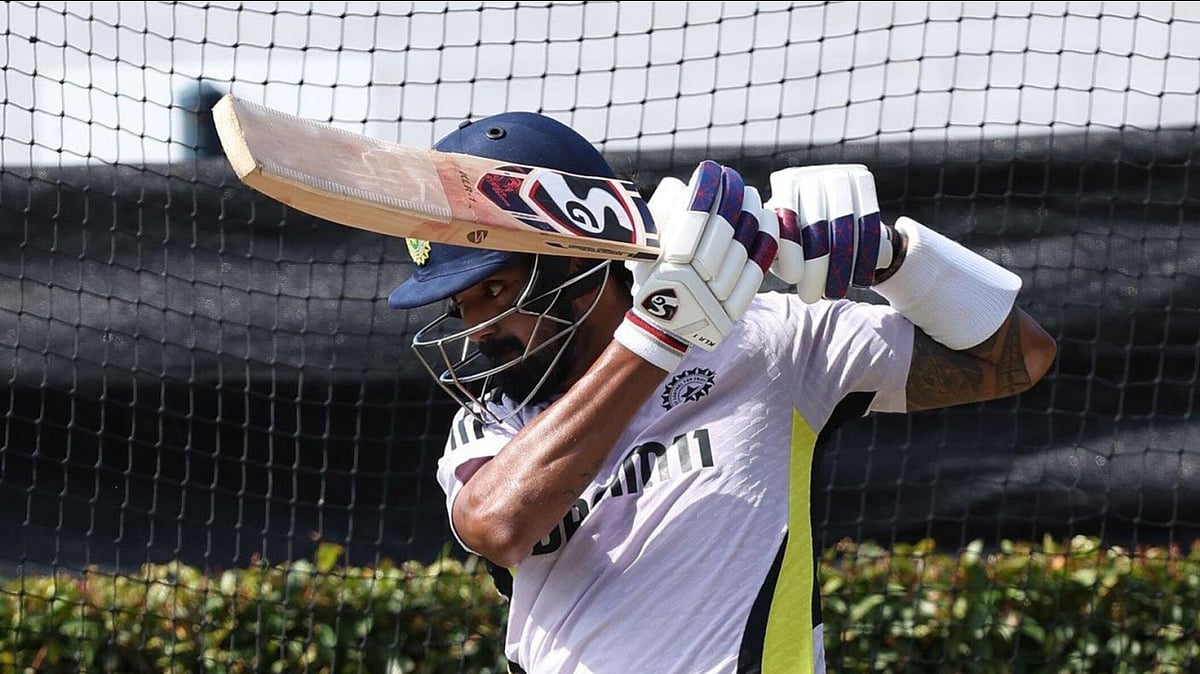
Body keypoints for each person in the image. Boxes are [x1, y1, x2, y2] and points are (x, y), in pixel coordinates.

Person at [387, 112, 1057, 674]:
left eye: (497, 291)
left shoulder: (772, 343)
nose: (480, 332)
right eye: (464, 306)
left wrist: (892, 255)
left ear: (579, 257)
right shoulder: (493, 425)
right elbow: (496, 524)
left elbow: (1021, 358)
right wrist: (663, 333)